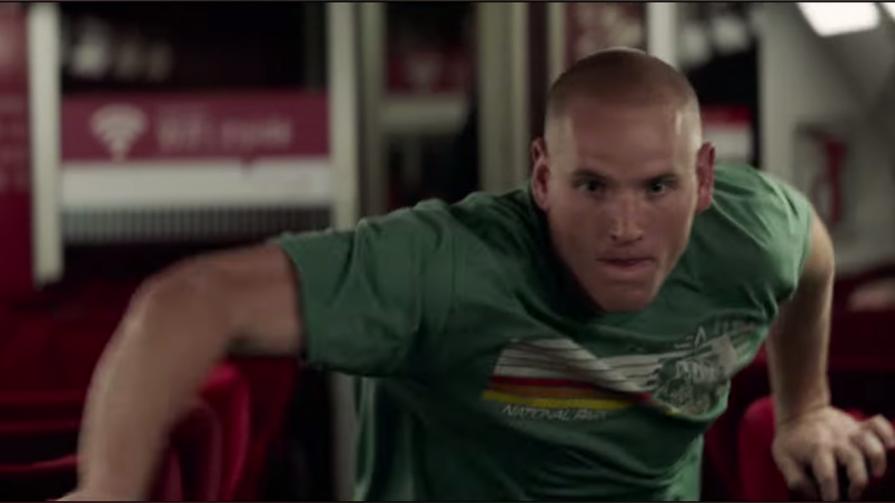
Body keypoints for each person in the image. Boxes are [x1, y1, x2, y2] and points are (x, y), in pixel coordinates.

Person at [62, 48, 894, 501]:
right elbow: (189, 301)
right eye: (591, 186)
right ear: (543, 178)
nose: (625, 224)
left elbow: (811, 255)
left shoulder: (751, 232)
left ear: (703, 180)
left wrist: (804, 408)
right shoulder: (451, 264)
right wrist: (106, 492)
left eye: (656, 187)